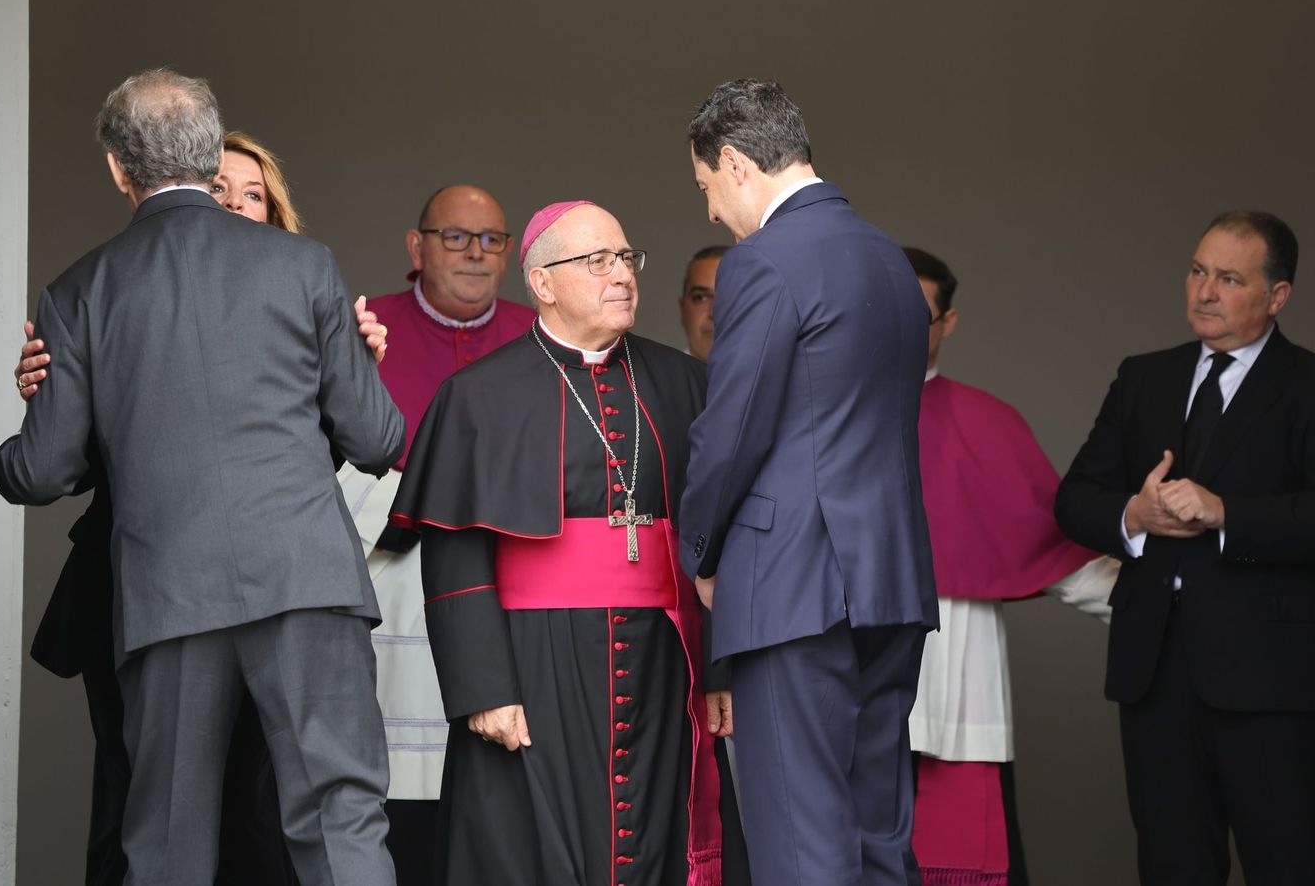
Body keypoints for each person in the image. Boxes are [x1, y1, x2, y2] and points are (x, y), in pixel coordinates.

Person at [0, 69, 403, 886]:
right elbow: (377, 437)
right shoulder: (306, 266)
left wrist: (11, 439)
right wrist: (354, 363)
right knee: (340, 819)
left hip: (168, 594)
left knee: (168, 844)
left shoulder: (80, 291)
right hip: (306, 578)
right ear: (210, 154)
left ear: (118, 168)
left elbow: (42, 472)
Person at [390, 201, 726, 886]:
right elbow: (455, 553)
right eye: (597, 261)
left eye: (626, 258)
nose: (621, 275)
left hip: (663, 660)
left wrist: (719, 668)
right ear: (542, 283)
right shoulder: (478, 397)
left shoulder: (688, 385)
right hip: (532, 662)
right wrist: (483, 686)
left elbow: (716, 543)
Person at [679, 79, 937, 886]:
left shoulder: (765, 259)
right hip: (888, 581)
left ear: (734, 161)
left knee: (800, 847)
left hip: (793, 584)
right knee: (877, 838)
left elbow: (732, 429)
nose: (713, 212)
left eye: (706, 188)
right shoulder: (889, 258)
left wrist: (700, 553)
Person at [1056, 211, 1315, 885]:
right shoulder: (1143, 378)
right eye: (1198, 271)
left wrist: (1228, 513)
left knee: (1283, 866)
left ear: (1277, 296)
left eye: (1229, 279)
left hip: (1272, 682)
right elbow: (1074, 499)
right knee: (1172, 868)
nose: (1204, 292)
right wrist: (1132, 515)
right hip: (1155, 676)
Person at [335, 185, 534, 884]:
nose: (476, 253)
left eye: (492, 240)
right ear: (416, 247)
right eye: (456, 237)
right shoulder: (362, 328)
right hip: (386, 581)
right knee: (390, 801)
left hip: (499, 595)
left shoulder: (537, 335)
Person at [902, 247, 1118, 886]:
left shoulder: (988, 423)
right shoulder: (820, 414)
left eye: (920, 314)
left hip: (957, 678)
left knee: (959, 852)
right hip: (844, 671)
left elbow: (1052, 551)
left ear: (948, 323)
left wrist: (1168, 599)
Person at [677, 245, 727, 362]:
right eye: (701, 298)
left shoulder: (775, 378)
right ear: (682, 309)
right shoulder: (657, 379)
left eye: (729, 296)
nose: (714, 313)